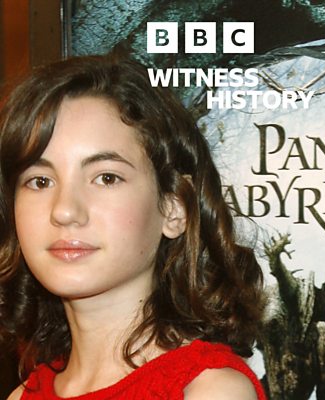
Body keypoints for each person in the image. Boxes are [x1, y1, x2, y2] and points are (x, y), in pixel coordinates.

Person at [0, 53, 267, 400]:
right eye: (39, 181)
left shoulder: (209, 391)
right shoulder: (23, 395)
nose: (64, 211)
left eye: (106, 177)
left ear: (174, 208)